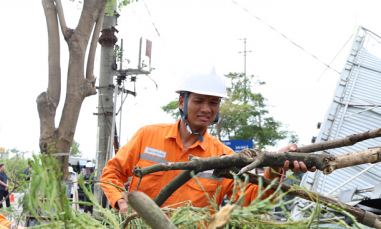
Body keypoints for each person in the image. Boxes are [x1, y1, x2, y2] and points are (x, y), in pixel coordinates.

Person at [101, 66, 315, 213]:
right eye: (199, 101)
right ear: (182, 102)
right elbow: (112, 173)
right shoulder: (147, 136)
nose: (206, 109)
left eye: (214, 102)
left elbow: (252, 198)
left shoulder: (225, 157)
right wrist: (120, 200)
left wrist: (276, 166)